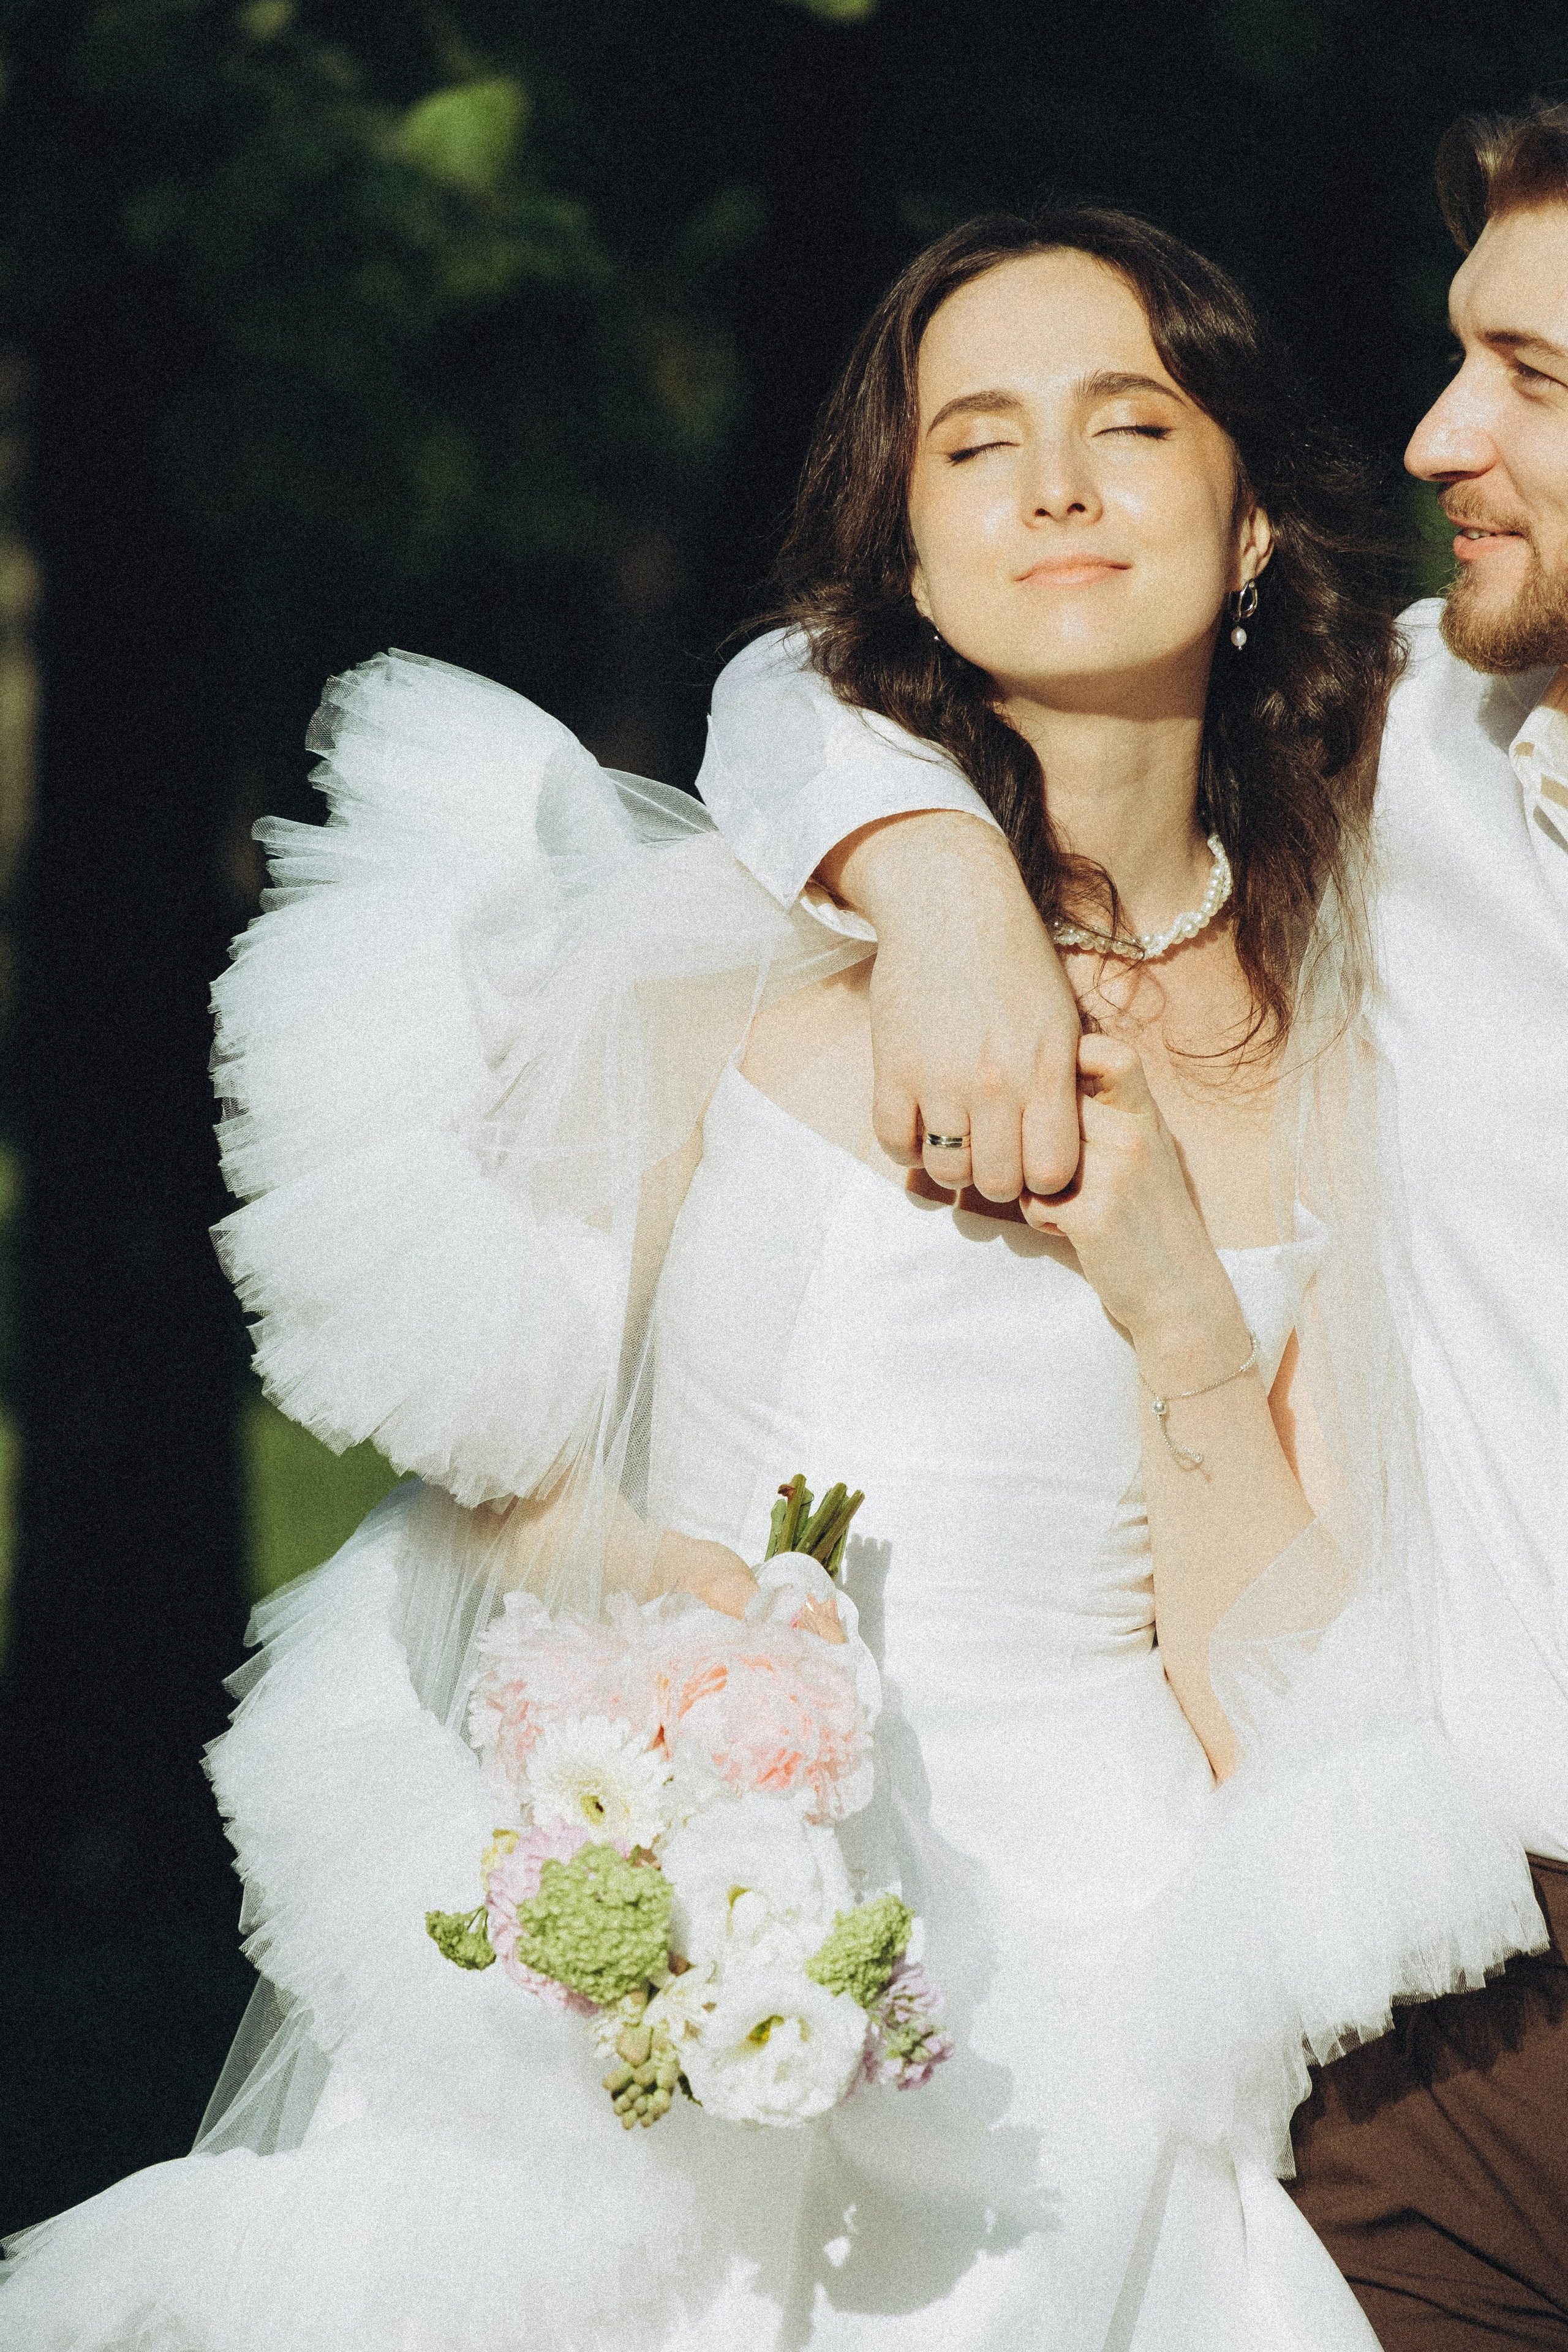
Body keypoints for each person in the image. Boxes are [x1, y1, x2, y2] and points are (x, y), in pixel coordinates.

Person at [0, 210, 1539, 2352]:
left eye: (1132, 425)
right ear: (907, 560)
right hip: (691, 1851)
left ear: (1255, 514)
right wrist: (660, 1640)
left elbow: (1252, 1638)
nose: (1062, 490)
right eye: (977, 447)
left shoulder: (1345, 1040)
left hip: (1090, 1963)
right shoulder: (750, 955)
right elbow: (504, 1484)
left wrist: (1184, 1312)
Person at [695, 119, 1568, 2350]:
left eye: (1529, 377)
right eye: (987, 445)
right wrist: (943, 880)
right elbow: (816, 676)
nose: (1440, 429)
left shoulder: (1380, 841)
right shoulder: (1442, 750)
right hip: (1463, 1987)